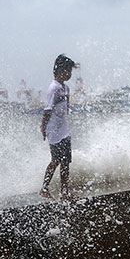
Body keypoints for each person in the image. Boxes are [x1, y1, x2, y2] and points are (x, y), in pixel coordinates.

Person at [40, 54, 79, 200]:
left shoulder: (66, 88)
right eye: (67, 71)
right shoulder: (53, 88)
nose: (69, 74)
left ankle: (65, 191)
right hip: (54, 130)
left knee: (66, 161)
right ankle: (44, 188)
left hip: (64, 130)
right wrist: (43, 128)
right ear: (60, 70)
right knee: (55, 159)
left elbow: (65, 108)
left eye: (70, 71)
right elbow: (47, 110)